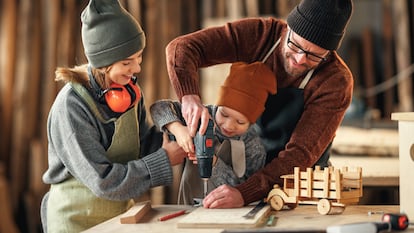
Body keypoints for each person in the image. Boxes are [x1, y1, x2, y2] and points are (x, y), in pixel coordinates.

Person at [165, 0, 354, 208]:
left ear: (328, 53)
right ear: (288, 28)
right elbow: (182, 48)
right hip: (246, 175)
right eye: (295, 45)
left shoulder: (336, 81)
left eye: (314, 56)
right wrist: (189, 96)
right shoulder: (260, 35)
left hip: (300, 190)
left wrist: (246, 193)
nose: (300, 59)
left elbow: (299, 155)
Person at [40, 0, 186, 232]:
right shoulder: (72, 107)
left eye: (139, 58)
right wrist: (163, 161)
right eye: (127, 62)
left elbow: (144, 143)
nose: (137, 68)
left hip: (117, 220)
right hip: (75, 222)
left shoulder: (129, 92)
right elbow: (103, 181)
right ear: (102, 64)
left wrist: (180, 140)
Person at [150, 62, 277, 205]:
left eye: (240, 122)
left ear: (252, 122)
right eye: (224, 114)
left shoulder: (254, 144)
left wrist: (215, 165)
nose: (228, 125)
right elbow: (158, 108)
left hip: (231, 212)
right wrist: (178, 129)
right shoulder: (201, 115)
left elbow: (248, 189)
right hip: (189, 205)